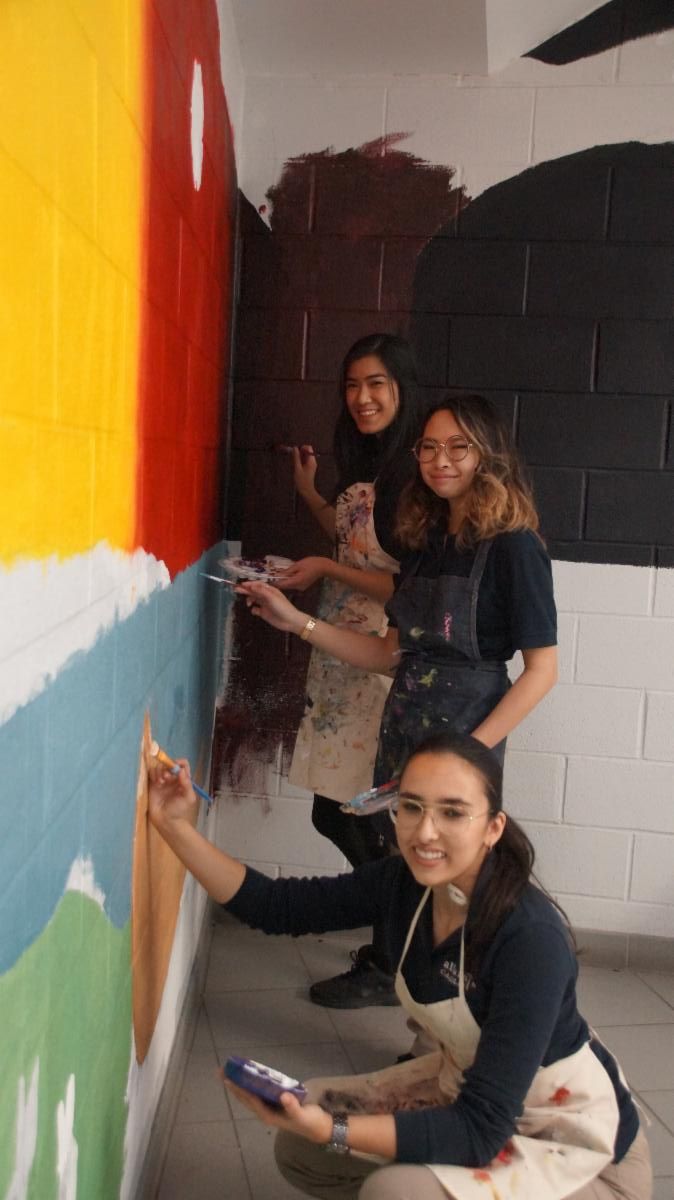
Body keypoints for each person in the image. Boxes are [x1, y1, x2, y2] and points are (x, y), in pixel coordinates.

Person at [147, 733, 652, 1200]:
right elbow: (277, 906)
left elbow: (479, 1130)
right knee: (302, 1143)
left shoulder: (530, 940)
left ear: (493, 827)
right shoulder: (402, 884)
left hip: (580, 1151)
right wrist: (174, 826)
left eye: (453, 813)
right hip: (470, 1098)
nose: (425, 832)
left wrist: (335, 1130)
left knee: (390, 1189)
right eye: (411, 807)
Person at [238, 394, 558, 1008]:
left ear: (487, 455)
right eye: (430, 447)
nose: (441, 461)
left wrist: (469, 754)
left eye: (458, 447)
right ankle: (425, 1023)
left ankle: (467, 1029)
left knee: (460, 885)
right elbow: (388, 654)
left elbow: (541, 672)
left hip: (466, 734)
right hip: (406, 722)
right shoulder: (427, 539)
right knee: (413, 878)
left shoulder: (516, 546)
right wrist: (294, 622)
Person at [277, 333, 423, 874]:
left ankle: (392, 931)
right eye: (352, 385)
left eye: (376, 384)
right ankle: (392, 928)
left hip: (375, 663)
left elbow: (408, 591)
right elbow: (352, 539)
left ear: (402, 389)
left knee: (348, 812)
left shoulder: (411, 477)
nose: (362, 397)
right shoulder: (373, 462)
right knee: (346, 810)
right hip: (340, 655)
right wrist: (310, 491)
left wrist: (324, 569)